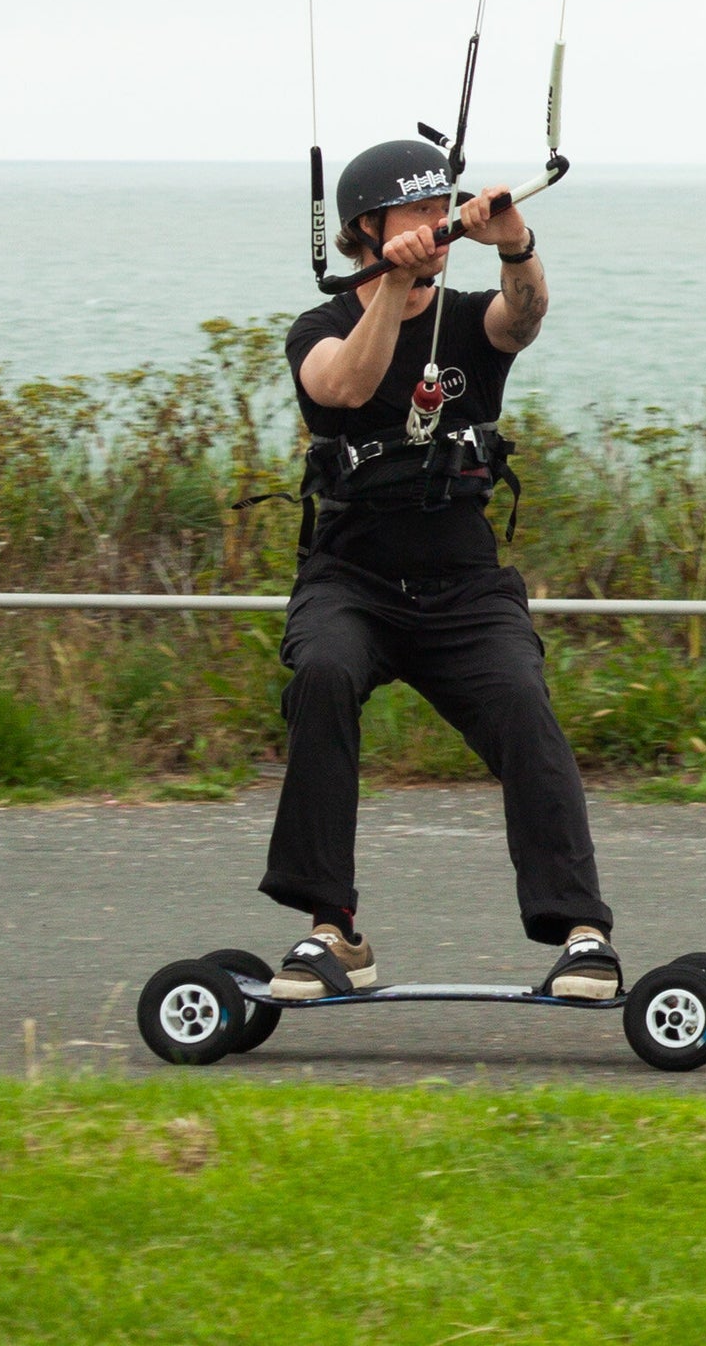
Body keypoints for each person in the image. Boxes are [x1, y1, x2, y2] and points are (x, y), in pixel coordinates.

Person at [257, 137, 619, 1004]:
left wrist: (514, 244)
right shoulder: (321, 328)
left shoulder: (469, 318)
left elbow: (522, 317)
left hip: (464, 586)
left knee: (526, 710)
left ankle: (580, 932)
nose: (433, 224)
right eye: (417, 212)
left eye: (439, 208)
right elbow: (344, 388)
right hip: (353, 582)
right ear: (368, 227)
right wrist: (390, 285)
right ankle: (330, 930)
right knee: (323, 673)